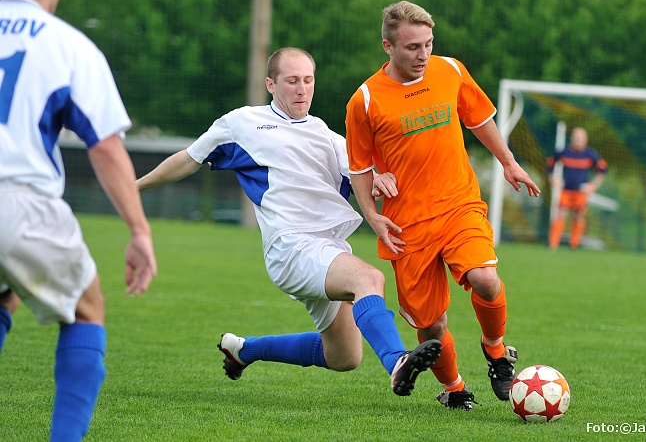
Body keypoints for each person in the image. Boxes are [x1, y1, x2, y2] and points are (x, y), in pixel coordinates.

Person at [136, 47, 441, 398]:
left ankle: (244, 350)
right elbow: (188, 159)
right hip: (290, 246)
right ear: (271, 84)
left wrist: (379, 179)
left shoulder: (325, 134)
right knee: (369, 278)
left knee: (344, 356)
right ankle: (397, 361)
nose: (302, 89)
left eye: (308, 80)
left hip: (328, 248)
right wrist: (135, 187)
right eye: (292, 81)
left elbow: (362, 175)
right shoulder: (242, 123)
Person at [345, 1, 541, 411]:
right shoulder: (364, 100)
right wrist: (372, 216)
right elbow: (359, 167)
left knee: (485, 279)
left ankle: (496, 351)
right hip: (407, 225)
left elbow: (479, 118)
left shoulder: (450, 70)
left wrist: (509, 162)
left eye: (428, 44)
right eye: (412, 47)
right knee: (431, 325)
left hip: (458, 204)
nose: (423, 55)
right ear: (388, 47)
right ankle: (454, 389)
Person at [0, 0, 158, 440]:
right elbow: (105, 147)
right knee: (87, 308)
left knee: (5, 294)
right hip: (19, 200)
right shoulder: (68, 45)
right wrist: (139, 230)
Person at [546, 127, 608, 250]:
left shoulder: (590, 154)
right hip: (566, 190)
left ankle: (574, 244)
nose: (578, 141)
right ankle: (553, 244)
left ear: (585, 140)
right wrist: (553, 178)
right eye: (576, 138)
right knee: (561, 214)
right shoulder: (564, 152)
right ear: (572, 139)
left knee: (579, 216)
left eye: (581, 139)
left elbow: (602, 170)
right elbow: (549, 163)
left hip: (581, 191)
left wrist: (593, 185)